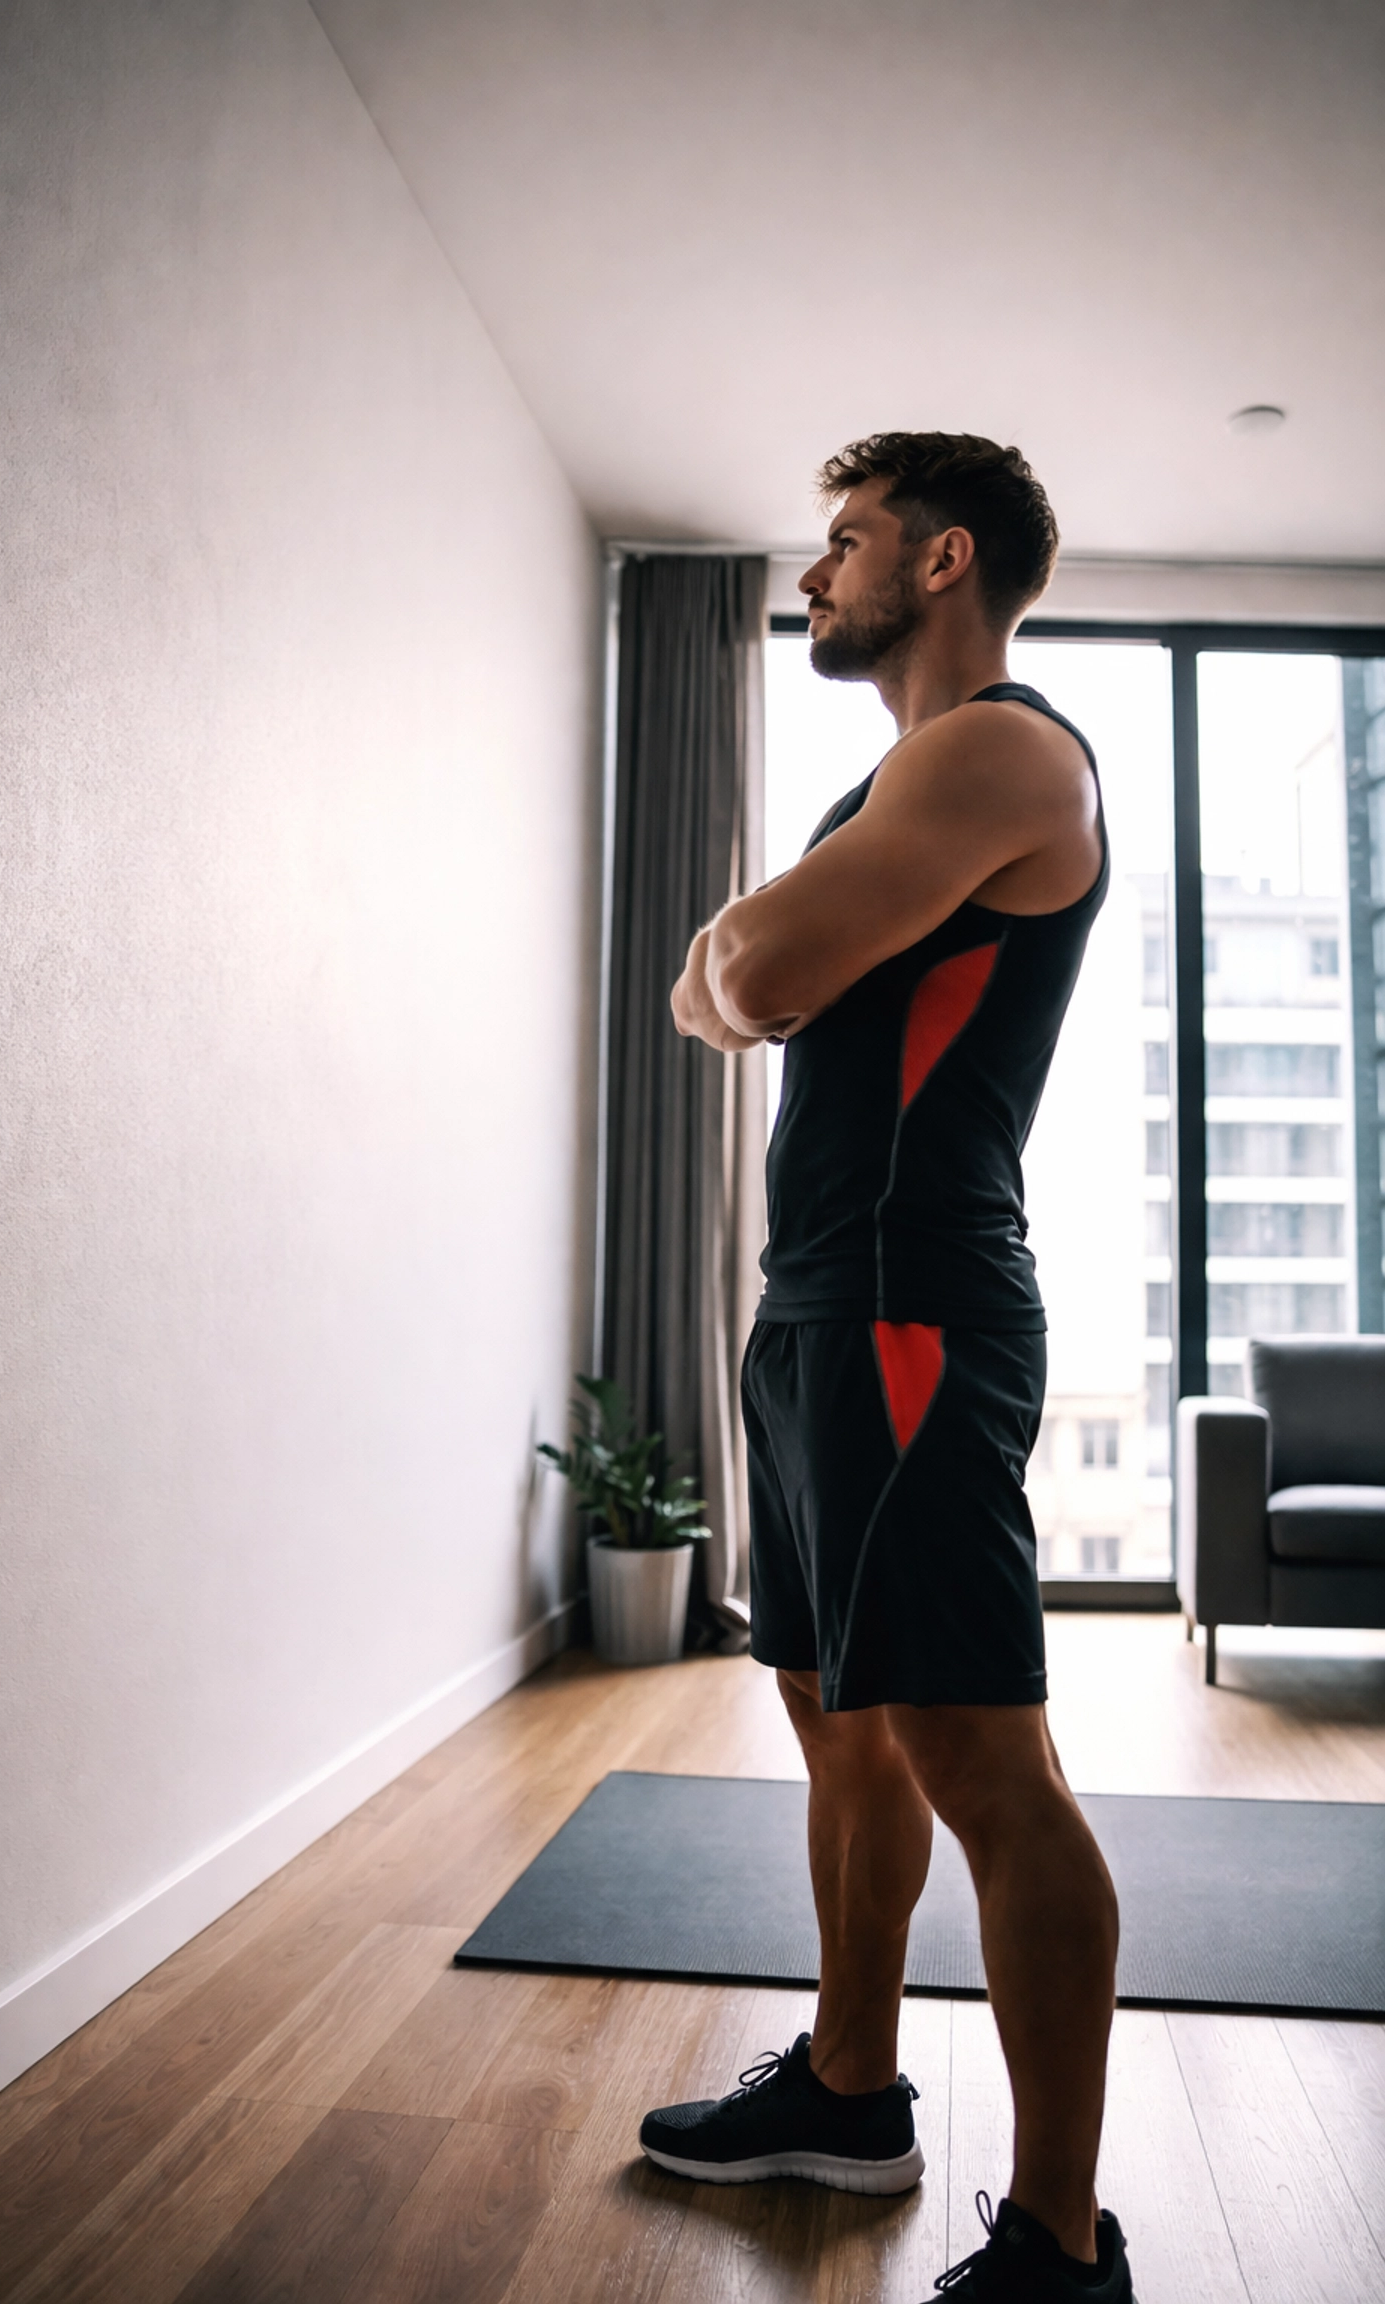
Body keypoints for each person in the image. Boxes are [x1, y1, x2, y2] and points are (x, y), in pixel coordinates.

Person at [641, 433, 1132, 2302]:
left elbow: (744, 982)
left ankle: (1064, 2248)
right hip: (822, 1304)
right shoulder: (898, 781)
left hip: (914, 1305)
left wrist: (749, 948)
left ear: (943, 560)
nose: (815, 571)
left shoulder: (998, 749)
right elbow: (732, 978)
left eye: (843, 543)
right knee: (838, 1720)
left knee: (979, 1758)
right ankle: (851, 2094)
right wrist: (746, 954)